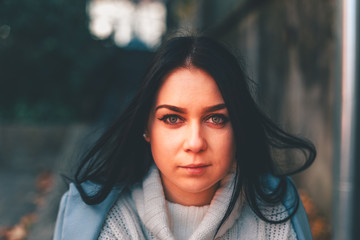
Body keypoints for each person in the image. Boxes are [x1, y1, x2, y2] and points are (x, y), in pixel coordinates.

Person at [53, 36, 316, 240]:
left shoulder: (278, 214)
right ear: (145, 128)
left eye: (216, 119)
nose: (195, 143)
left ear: (239, 126)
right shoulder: (101, 221)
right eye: (172, 118)